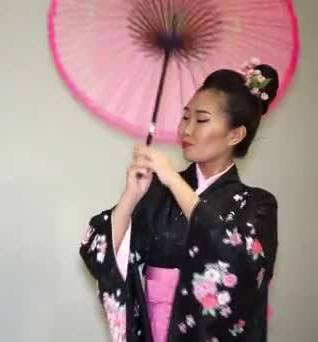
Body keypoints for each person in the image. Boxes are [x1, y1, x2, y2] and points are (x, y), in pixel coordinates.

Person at [80, 59, 279, 341]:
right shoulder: (158, 192)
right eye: (185, 116)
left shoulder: (257, 204)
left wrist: (172, 178)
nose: (186, 129)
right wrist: (131, 196)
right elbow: (97, 252)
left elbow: (238, 266)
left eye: (201, 120)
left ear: (235, 134)